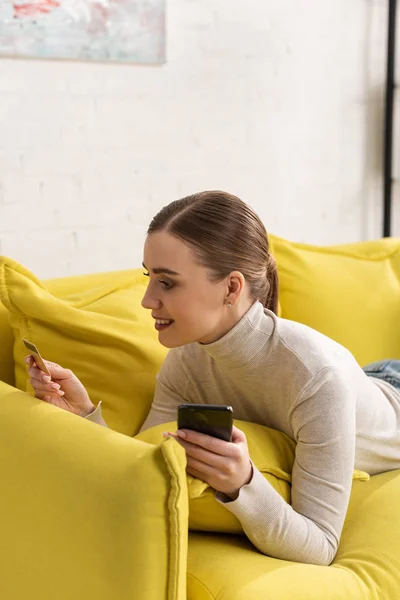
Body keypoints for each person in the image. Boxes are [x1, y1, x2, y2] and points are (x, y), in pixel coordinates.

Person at [25, 190, 400, 566]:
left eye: (167, 283)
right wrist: (86, 415)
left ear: (232, 288)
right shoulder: (187, 359)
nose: (147, 299)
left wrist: (244, 484)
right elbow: (147, 465)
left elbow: (320, 546)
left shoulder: (316, 379)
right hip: (367, 379)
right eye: (149, 277)